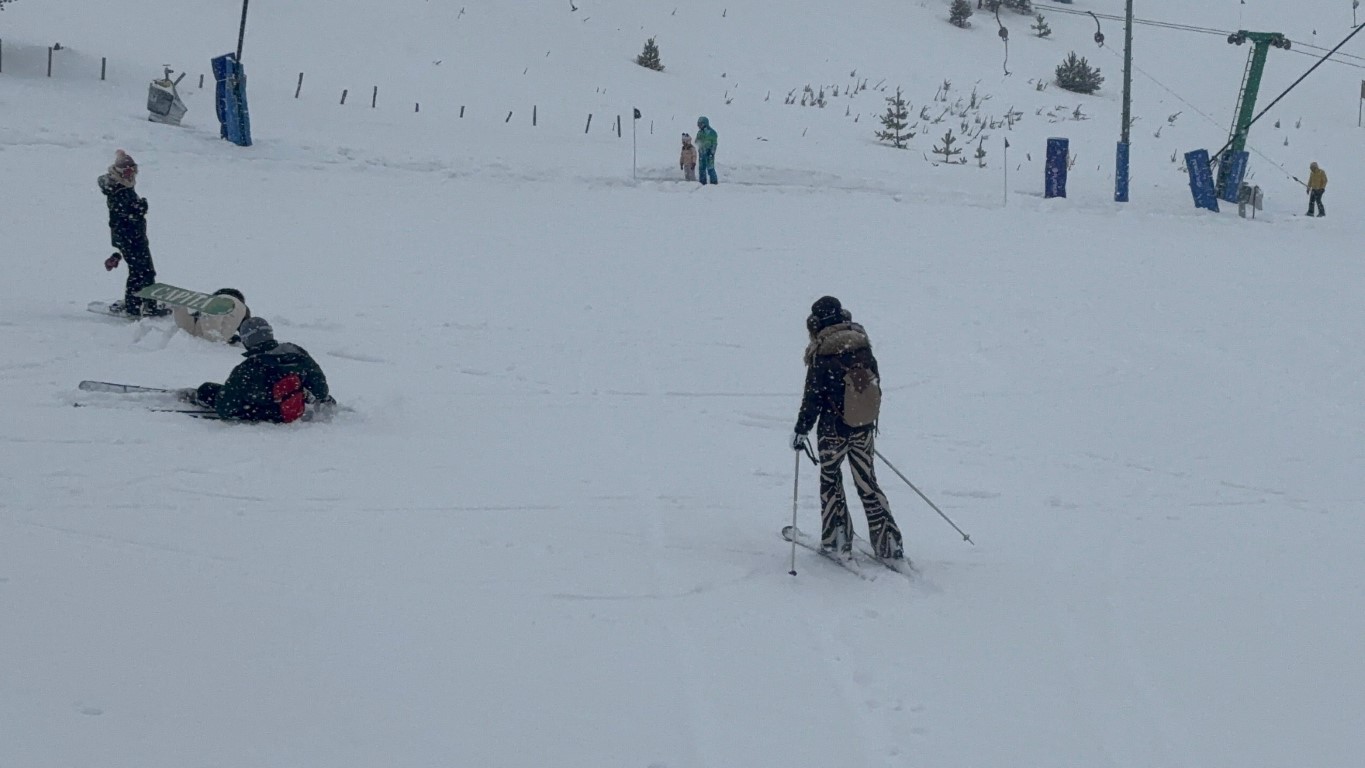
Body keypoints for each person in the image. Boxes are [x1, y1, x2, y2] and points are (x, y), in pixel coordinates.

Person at [791, 296, 904, 560]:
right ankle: (889, 543)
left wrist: (801, 430)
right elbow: (873, 387)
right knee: (868, 483)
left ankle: (837, 540)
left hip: (832, 431)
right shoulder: (863, 346)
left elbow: (812, 398)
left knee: (831, 480)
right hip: (863, 428)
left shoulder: (822, 353)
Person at [190, 317, 332, 423]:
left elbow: (225, 408)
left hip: (273, 414)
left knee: (207, 389)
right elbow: (321, 390)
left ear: (246, 341)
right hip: (295, 405)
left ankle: (197, 397)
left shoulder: (249, 367)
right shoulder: (296, 352)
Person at [98, 150, 165, 317]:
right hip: (131, 238)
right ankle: (145, 306)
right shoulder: (118, 190)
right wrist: (137, 210)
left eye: (134, 170)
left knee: (138, 272)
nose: (132, 175)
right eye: (128, 171)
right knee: (144, 272)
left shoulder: (121, 186)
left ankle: (136, 304)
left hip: (132, 237)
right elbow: (121, 216)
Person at [172, 288, 251, 344]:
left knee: (189, 332)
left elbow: (195, 315)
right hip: (235, 305)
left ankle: (180, 308)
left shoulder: (215, 300)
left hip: (213, 301)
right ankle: (211, 314)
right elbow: (246, 328)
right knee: (214, 339)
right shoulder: (242, 307)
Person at [695, 116, 718, 185]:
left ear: (705, 124)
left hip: (709, 154)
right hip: (702, 153)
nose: (699, 126)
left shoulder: (712, 133)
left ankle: (714, 182)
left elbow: (714, 144)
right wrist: (700, 145)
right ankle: (702, 182)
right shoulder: (699, 133)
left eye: (700, 124)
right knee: (702, 168)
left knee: (710, 168)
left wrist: (712, 152)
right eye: (698, 124)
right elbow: (696, 141)